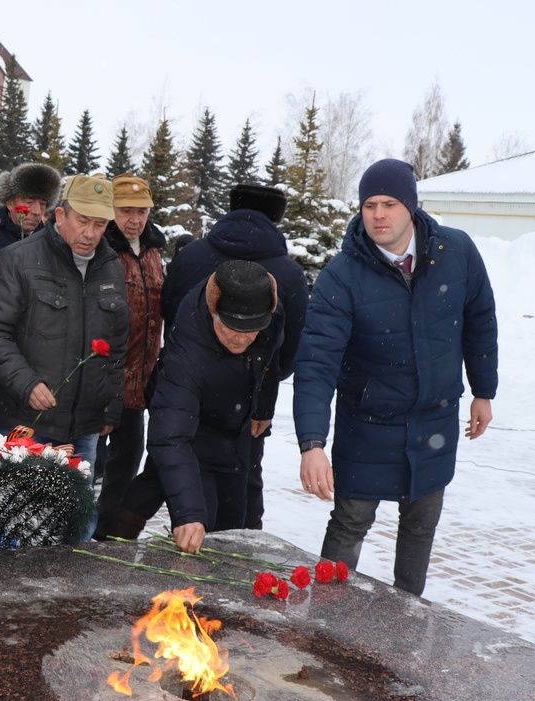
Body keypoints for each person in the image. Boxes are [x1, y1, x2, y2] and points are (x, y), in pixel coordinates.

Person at [293, 158, 498, 596]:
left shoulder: (455, 253)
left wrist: (484, 390)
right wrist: (312, 444)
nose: (378, 215)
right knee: (349, 524)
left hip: (434, 422)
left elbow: (480, 319)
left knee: (421, 528)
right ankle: (327, 620)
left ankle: (406, 621)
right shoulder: (342, 276)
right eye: (369, 205)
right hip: (368, 424)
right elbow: (316, 362)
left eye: (389, 203)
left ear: (411, 206)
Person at [159, 182, 309, 529]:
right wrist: (262, 401)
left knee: (180, 464)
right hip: (245, 403)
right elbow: (287, 348)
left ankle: (189, 525)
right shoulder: (286, 272)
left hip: (184, 386)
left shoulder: (193, 255)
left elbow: (169, 308)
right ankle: (236, 540)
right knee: (241, 482)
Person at [0, 173, 129, 475]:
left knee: (76, 519)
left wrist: (110, 406)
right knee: (14, 516)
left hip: (83, 428)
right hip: (23, 422)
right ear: (60, 214)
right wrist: (27, 384)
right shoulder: (18, 259)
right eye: (83, 221)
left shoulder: (111, 269)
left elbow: (116, 345)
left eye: (99, 224)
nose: (90, 233)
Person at [148, 260, 284, 554]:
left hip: (236, 425)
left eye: (250, 331)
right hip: (194, 426)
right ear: (214, 312)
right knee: (201, 519)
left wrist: (263, 406)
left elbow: (270, 358)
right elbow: (169, 435)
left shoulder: (270, 311)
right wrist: (188, 514)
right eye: (230, 327)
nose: (240, 337)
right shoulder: (188, 347)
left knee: (234, 523)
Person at [95, 173, 166, 525]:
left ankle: (107, 531)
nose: (134, 219)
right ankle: (83, 529)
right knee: (91, 458)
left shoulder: (153, 250)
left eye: (141, 210)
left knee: (128, 458)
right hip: (104, 373)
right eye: (125, 210)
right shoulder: (101, 250)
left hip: (141, 376)